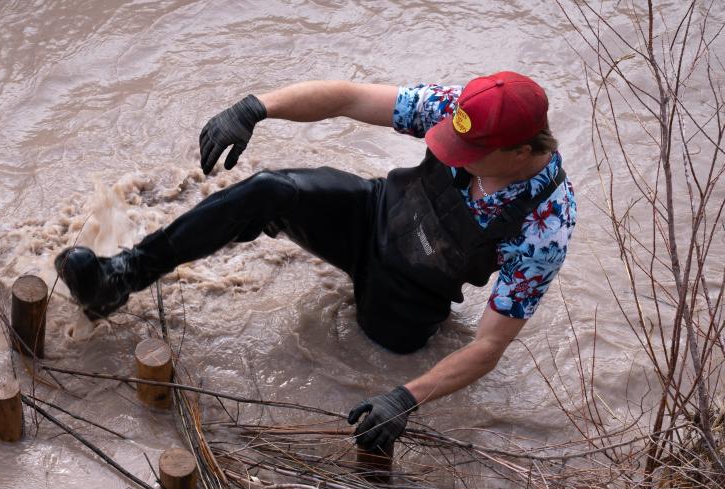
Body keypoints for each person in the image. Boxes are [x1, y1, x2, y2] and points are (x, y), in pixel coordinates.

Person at [54, 72, 577, 454]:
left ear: (520, 152)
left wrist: (406, 397)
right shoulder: (465, 109)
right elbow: (349, 98)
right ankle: (120, 277)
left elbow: (489, 345)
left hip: (412, 292)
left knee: (378, 355)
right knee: (267, 191)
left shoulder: (545, 225)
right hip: (373, 214)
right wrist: (257, 106)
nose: (454, 152)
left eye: (469, 151)